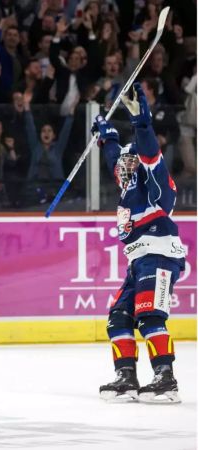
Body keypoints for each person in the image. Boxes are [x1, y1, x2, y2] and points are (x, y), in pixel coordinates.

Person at [93, 84, 186, 404]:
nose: (124, 167)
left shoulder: (158, 185)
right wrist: (107, 137)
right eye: (123, 164)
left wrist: (142, 124)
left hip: (160, 256)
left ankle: (165, 378)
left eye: (130, 163)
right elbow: (114, 161)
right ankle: (126, 377)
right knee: (118, 317)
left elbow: (149, 154)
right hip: (140, 261)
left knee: (149, 316)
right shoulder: (128, 185)